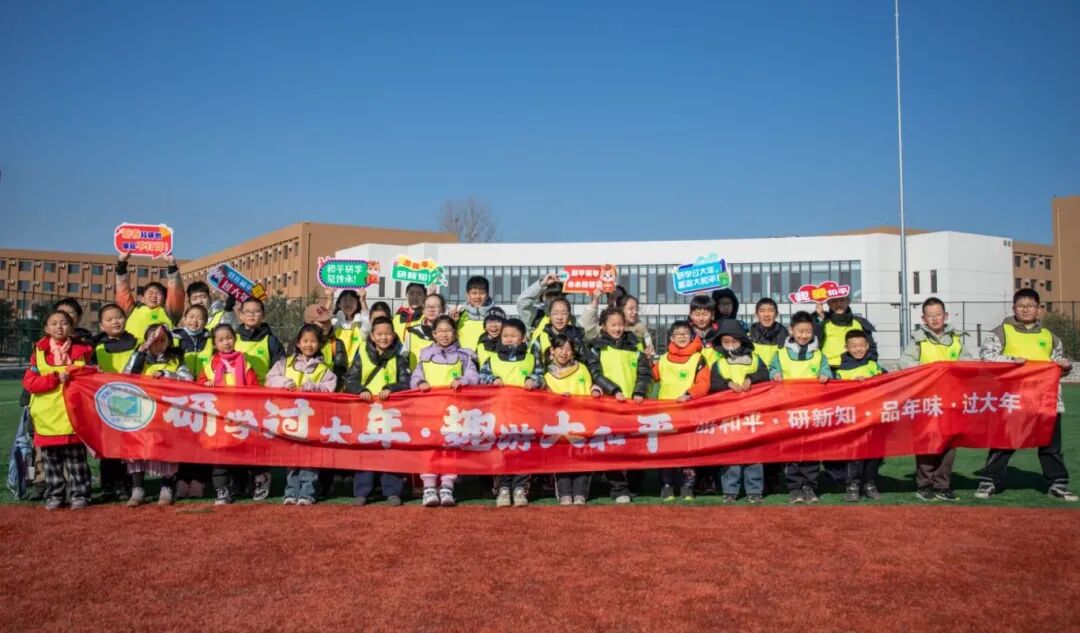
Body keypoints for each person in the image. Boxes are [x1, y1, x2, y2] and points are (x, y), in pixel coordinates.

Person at [975, 289, 1076, 502]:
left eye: (1030, 305)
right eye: (1021, 305)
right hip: (1012, 399)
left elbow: (1057, 369)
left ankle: (1057, 483)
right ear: (1013, 308)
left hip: (1045, 400)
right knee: (1004, 441)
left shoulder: (1050, 337)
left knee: (1050, 445)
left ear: (1039, 309)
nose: (1026, 309)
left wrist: (1065, 367)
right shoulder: (1000, 332)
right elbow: (986, 358)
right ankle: (990, 479)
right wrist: (1012, 360)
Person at [898, 297, 972, 502]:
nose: (935, 318)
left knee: (949, 444)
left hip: (951, 401)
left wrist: (951, 368)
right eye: (930, 316)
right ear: (924, 319)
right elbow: (904, 363)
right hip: (926, 402)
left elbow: (968, 362)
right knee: (926, 443)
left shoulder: (957, 339)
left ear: (945, 316)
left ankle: (943, 485)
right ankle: (924, 485)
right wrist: (928, 369)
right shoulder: (918, 340)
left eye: (938, 314)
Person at [22, 310, 94, 510]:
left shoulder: (83, 351)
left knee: (77, 462)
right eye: (54, 323)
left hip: (74, 417)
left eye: (64, 323)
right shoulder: (38, 353)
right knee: (51, 463)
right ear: (46, 328)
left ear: (71, 327)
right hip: (47, 418)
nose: (59, 327)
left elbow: (91, 378)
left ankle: (80, 495)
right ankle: (55, 495)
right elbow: (29, 383)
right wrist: (54, 378)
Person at [410, 315, 480, 507]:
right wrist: (420, 382)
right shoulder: (425, 355)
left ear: (455, 333)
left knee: (450, 447)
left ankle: (447, 486)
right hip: (429, 411)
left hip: (453, 412)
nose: (444, 335)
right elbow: (415, 377)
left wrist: (463, 381)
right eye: (440, 331)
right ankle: (429, 487)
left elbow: (474, 376)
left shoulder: (464, 356)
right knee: (429, 448)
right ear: (433, 334)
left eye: (448, 330)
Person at [584, 308, 651, 504]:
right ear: (604, 326)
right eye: (613, 325)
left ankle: (633, 484)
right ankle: (618, 487)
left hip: (633, 406)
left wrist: (639, 391)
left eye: (620, 324)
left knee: (635, 447)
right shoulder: (596, 348)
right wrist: (613, 390)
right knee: (612, 447)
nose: (617, 328)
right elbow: (595, 373)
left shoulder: (634, 347)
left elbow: (644, 373)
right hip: (608, 406)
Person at [266, 325, 338, 506]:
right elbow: (270, 379)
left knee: (310, 456)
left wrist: (315, 387)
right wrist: (284, 382)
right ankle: (291, 491)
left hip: (312, 420)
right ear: (298, 343)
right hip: (289, 418)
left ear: (319, 344)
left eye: (313, 341)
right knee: (291, 457)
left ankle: (308, 492)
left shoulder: (323, 369)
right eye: (305, 341)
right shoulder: (284, 364)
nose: (309, 345)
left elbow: (330, 386)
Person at [344, 316, 412, 506]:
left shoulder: (399, 359)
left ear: (394, 335)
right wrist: (361, 390)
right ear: (372, 336)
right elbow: (350, 380)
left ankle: (393, 491)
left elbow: (407, 382)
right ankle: (362, 491)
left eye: (388, 333)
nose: (384, 337)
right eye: (380, 334)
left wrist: (392, 388)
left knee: (391, 450)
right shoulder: (362, 356)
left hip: (391, 414)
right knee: (366, 450)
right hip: (365, 412)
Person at [122, 324, 192, 507]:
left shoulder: (175, 360)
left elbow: (188, 379)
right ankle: (137, 489)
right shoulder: (139, 357)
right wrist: (140, 352)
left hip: (165, 413)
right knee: (136, 449)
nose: (158, 344)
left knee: (166, 449)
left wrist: (167, 374)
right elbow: (126, 376)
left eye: (162, 340)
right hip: (140, 412)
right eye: (153, 341)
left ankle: (166, 487)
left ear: (169, 342)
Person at [479, 318, 543, 508]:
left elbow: (541, 375)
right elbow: (482, 376)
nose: (509, 339)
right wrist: (492, 379)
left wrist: (534, 380)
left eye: (513, 335)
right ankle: (503, 488)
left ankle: (520, 487)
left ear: (523, 338)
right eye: (505, 335)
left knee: (522, 451)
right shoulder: (492, 358)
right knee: (501, 451)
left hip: (525, 414)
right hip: (500, 413)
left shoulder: (531, 358)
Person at [770, 311, 832, 504]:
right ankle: (794, 487)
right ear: (791, 330)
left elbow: (826, 369)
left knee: (811, 450)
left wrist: (825, 374)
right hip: (788, 412)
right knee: (791, 450)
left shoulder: (819, 354)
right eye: (800, 331)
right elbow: (772, 369)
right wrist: (775, 374)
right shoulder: (780, 353)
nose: (804, 335)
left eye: (808, 331)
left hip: (812, 412)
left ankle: (809, 486)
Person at [711, 321, 770, 504]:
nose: (730, 344)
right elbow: (714, 384)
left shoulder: (755, 359)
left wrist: (750, 380)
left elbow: (765, 376)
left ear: (742, 340)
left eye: (733, 341)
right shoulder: (719, 363)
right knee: (730, 454)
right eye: (725, 341)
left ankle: (754, 489)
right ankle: (730, 490)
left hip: (753, 415)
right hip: (729, 416)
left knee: (754, 453)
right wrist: (728, 384)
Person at [652, 320, 709, 502]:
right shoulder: (663, 359)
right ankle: (667, 485)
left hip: (688, 411)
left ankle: (687, 485)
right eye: (678, 334)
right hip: (666, 413)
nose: (682, 337)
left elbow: (703, 382)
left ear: (691, 336)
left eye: (685, 334)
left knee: (688, 450)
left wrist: (689, 394)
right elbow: (652, 376)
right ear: (671, 338)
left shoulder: (698, 358)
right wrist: (646, 361)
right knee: (667, 450)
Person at [203, 324, 259, 505]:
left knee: (240, 453)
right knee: (220, 454)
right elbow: (199, 385)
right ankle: (222, 490)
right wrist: (206, 384)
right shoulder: (210, 365)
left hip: (240, 416)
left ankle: (240, 486)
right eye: (221, 340)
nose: (226, 342)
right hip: (218, 417)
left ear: (235, 339)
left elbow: (254, 387)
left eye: (229, 338)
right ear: (214, 344)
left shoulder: (245, 362)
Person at [90, 303, 137, 501]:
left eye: (118, 317)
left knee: (128, 447)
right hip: (106, 403)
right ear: (102, 325)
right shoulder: (95, 348)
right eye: (109, 319)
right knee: (107, 446)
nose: (115, 321)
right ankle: (107, 486)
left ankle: (126, 485)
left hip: (132, 401)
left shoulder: (137, 343)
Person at [834, 330, 886, 502]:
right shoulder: (841, 370)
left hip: (873, 417)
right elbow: (836, 392)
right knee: (854, 454)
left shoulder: (874, 366)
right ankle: (853, 485)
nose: (858, 349)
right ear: (846, 347)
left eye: (861, 346)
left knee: (874, 453)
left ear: (867, 346)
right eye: (853, 346)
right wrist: (852, 385)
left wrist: (873, 381)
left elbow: (886, 383)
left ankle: (870, 484)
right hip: (853, 419)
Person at [544, 333, 594, 505]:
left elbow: (588, 391)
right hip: (559, 425)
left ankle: (580, 492)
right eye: (560, 348)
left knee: (581, 456)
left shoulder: (582, 369)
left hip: (581, 421)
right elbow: (544, 398)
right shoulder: (546, 374)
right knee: (561, 457)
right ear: (552, 350)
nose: (564, 353)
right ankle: (564, 492)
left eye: (568, 349)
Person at [171, 304, 213, 500]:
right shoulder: (174, 338)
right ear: (184, 318)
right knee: (182, 439)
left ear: (205, 321)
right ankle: (182, 479)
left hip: (206, 397)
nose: (195, 321)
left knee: (204, 440)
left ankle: (200, 480)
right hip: (181, 396)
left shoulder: (211, 338)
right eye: (191, 316)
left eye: (200, 318)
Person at [115, 252, 185, 343]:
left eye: (158, 293)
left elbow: (176, 294)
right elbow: (122, 290)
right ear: (142, 298)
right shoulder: (131, 311)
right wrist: (121, 263)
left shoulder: (170, 313)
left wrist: (172, 265)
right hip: (135, 351)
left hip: (161, 351)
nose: (154, 296)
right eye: (150, 292)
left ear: (164, 299)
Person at [814, 296, 877, 370]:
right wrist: (819, 318)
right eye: (834, 301)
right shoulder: (822, 323)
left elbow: (871, 350)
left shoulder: (860, 323)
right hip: (828, 371)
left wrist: (868, 368)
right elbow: (811, 345)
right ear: (828, 303)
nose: (838, 304)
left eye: (842, 300)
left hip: (856, 369)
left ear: (848, 301)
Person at [304, 303, 349, 388]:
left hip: (327, 392)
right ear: (310, 323)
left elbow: (341, 374)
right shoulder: (297, 343)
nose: (327, 324)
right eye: (322, 322)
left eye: (328, 320)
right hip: (301, 392)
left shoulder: (336, 344)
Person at [529, 296, 585, 362]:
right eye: (555, 313)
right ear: (550, 315)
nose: (559, 317)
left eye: (564, 313)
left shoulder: (578, 338)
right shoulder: (540, 339)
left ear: (569, 316)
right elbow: (533, 362)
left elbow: (588, 361)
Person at [451, 275, 497, 353]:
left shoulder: (496, 316)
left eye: (482, 293)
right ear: (467, 295)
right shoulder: (460, 315)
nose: (478, 296)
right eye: (474, 293)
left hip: (487, 359)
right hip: (464, 358)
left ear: (487, 294)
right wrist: (452, 322)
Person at [403, 293, 445, 370]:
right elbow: (404, 357)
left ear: (442, 309)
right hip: (417, 376)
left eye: (436, 306)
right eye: (428, 306)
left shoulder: (448, 333)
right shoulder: (412, 332)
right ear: (423, 310)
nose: (431, 309)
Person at [328, 288, 369, 367]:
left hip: (357, 368)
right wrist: (329, 300)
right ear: (339, 304)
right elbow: (323, 322)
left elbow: (367, 325)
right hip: (336, 368)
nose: (348, 303)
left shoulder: (360, 324)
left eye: (351, 300)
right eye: (345, 300)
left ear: (358, 304)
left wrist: (363, 301)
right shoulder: (335, 322)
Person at [688, 294, 721, 366]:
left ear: (712, 314)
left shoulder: (720, 332)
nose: (701, 318)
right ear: (691, 315)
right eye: (697, 314)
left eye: (705, 314)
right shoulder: (686, 334)